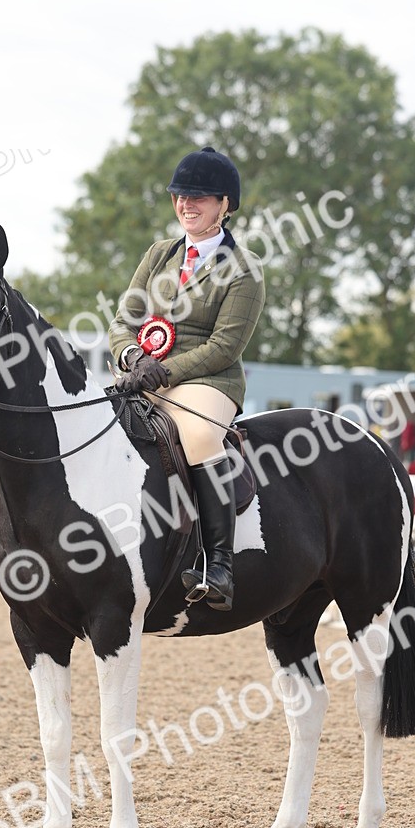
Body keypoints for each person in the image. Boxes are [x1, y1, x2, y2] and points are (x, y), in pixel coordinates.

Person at [109, 146, 265, 612]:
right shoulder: (159, 255)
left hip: (209, 381)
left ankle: (218, 564)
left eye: (198, 197)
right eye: (180, 196)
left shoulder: (245, 269)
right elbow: (123, 321)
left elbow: (225, 347)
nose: (186, 205)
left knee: (197, 437)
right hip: (143, 374)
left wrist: (164, 371)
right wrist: (135, 357)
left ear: (225, 204)